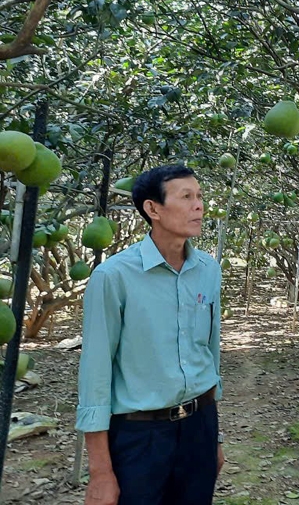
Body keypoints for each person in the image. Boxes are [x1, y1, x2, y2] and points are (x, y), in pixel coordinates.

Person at [76, 164, 223, 505]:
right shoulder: (113, 277)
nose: (199, 205)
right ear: (152, 209)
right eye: (186, 197)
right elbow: (95, 374)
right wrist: (100, 472)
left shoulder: (208, 270)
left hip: (199, 425)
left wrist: (213, 439)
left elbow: (209, 354)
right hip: (140, 435)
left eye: (200, 196)